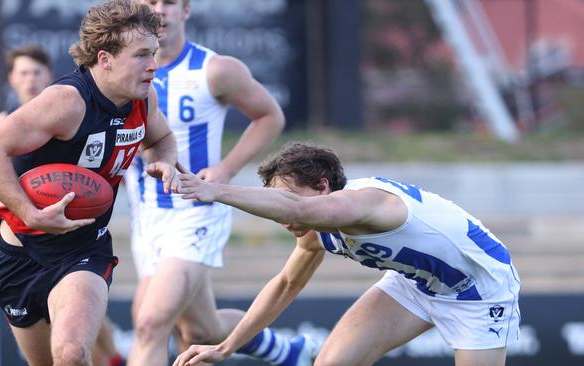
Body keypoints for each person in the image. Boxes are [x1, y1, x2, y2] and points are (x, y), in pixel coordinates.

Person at [172, 142, 522, 366]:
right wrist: (226, 348)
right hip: (415, 284)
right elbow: (285, 285)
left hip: (479, 289)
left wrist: (214, 190)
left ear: (323, 186)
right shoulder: (315, 233)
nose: (281, 216)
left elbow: (297, 211)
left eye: (286, 199)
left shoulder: (364, 202)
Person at [0, 1, 179, 365]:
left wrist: (163, 162)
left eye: (154, 53)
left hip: (84, 249)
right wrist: (30, 213)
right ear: (105, 58)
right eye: (142, 55)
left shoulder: (144, 98)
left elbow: (161, 138)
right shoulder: (67, 103)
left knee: (70, 353)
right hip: (20, 253)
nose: (154, 66)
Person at [125, 1, 318, 365]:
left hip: (196, 212)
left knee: (150, 323)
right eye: (150, 2)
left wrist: (226, 169)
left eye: (169, 2)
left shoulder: (214, 70)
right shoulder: (121, 72)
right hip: (147, 216)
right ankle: (284, 351)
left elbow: (269, 116)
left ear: (186, 10)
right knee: (200, 329)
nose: (159, 10)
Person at [0, 44, 125, 366]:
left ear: (48, 76)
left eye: (36, 72)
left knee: (77, 339)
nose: (30, 80)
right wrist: (24, 213)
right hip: (23, 243)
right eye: (23, 73)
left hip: (76, 245)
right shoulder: (5, 123)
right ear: (12, 79)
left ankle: (114, 359)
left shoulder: (68, 106)